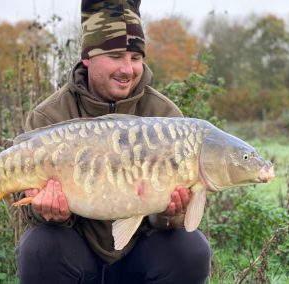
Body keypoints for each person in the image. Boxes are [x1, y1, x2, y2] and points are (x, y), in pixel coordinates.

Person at [16, 0, 211, 283]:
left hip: (139, 254)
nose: (127, 69)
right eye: (116, 56)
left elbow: (175, 221)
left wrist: (172, 215)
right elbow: (26, 206)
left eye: (135, 58)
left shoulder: (166, 117)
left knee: (191, 249)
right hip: (78, 251)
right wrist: (47, 211)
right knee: (40, 246)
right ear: (88, 57)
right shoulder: (51, 115)